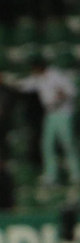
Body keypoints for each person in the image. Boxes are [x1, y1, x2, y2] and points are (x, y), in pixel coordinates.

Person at [16, 58, 77, 188]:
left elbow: (73, 90)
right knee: (47, 145)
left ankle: (76, 174)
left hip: (63, 113)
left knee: (68, 145)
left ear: (40, 67)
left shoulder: (57, 76)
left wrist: (63, 94)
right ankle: (51, 176)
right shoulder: (38, 78)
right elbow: (26, 85)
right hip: (49, 114)